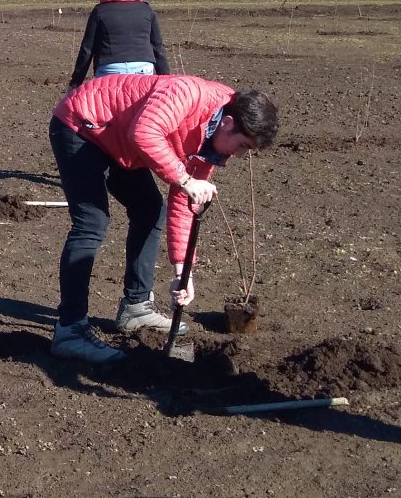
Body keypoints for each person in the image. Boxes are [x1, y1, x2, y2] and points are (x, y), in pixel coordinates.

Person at [48, 75, 279, 364]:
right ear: (228, 123)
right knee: (91, 223)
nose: (241, 155)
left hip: (120, 141)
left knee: (149, 210)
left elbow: (185, 202)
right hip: (83, 125)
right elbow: (145, 132)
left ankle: (135, 307)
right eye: (243, 145)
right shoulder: (187, 94)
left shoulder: (212, 143)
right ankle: (70, 330)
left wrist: (184, 272)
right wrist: (183, 178)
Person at [69, 0, 169, 88]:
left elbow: (87, 49)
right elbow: (157, 47)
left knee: (110, 106)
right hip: (143, 69)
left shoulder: (100, 11)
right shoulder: (146, 10)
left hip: (110, 70)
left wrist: (75, 83)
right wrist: (166, 80)